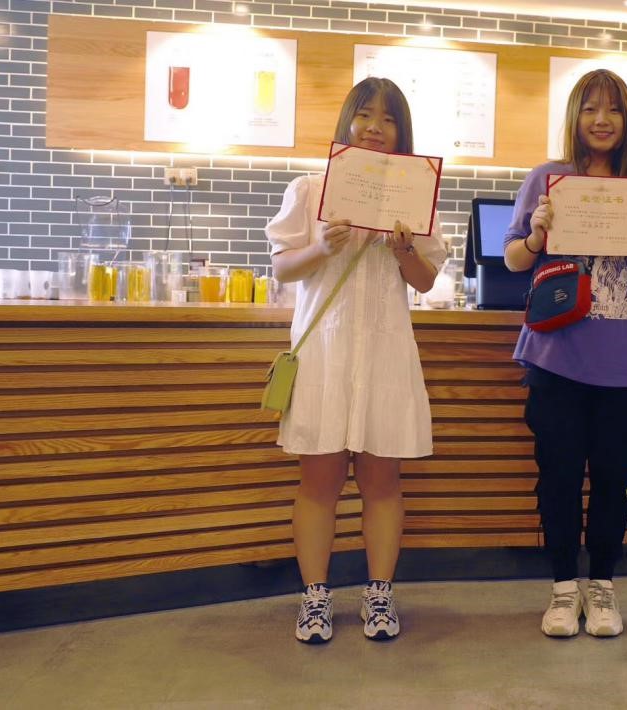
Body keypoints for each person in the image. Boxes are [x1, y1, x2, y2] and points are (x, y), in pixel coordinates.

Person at [265, 77, 446, 644]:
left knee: (382, 481)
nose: (374, 127)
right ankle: (315, 598)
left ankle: (379, 593)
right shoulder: (310, 187)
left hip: (385, 352)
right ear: (347, 120)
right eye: (365, 114)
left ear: (402, 133)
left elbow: (425, 279)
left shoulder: (416, 195)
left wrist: (404, 249)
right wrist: (322, 246)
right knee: (318, 481)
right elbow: (282, 266)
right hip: (325, 353)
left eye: (388, 119)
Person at [504, 69, 627, 638]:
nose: (602, 120)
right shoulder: (547, 178)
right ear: (575, 116)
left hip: (622, 363)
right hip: (555, 356)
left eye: (613, 109)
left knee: (613, 480)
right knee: (557, 477)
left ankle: (601, 585)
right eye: (590, 108)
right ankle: (561, 587)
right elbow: (513, 258)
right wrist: (536, 235)